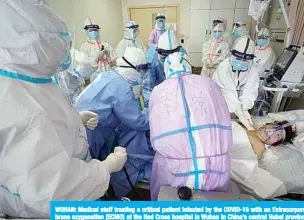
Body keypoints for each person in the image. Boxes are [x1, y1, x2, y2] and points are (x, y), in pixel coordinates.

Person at [0, 1, 127, 218]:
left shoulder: (32, 78)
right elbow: (50, 191)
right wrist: (105, 168)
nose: (65, 53)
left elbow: (46, 124)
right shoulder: (14, 94)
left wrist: (76, 119)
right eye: (61, 44)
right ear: (40, 45)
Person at [149, 52, 232, 201]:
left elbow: (156, 129)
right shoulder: (208, 83)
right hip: (215, 168)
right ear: (188, 66)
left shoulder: (158, 91)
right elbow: (223, 114)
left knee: (169, 203)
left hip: (175, 171)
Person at [76, 47, 154, 198]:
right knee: (89, 172)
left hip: (81, 122)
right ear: (133, 69)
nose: (141, 75)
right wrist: (154, 117)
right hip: (91, 130)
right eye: (140, 70)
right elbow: (138, 121)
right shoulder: (122, 88)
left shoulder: (109, 75)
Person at [230, 120, 296, 198]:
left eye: (278, 136)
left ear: (273, 144)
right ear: (267, 124)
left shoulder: (259, 146)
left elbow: (243, 163)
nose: (272, 133)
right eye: (275, 128)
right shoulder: (243, 126)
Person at [212, 37, 258, 131]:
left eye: (245, 60)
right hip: (220, 97)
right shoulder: (224, 67)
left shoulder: (252, 68)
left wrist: (245, 107)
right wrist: (239, 112)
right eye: (238, 58)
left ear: (250, 60)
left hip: (236, 100)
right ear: (232, 55)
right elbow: (227, 92)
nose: (240, 62)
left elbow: (250, 88)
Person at [143, 30, 186, 108]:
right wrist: (150, 108)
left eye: (172, 56)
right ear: (158, 51)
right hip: (159, 88)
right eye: (164, 58)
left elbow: (186, 78)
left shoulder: (182, 54)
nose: (168, 61)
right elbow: (148, 87)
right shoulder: (151, 59)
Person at [80, 18, 117, 82]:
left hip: (108, 74)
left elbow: (114, 64)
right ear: (86, 32)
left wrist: (109, 56)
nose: (94, 32)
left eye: (95, 30)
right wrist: (96, 57)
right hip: (95, 76)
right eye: (91, 30)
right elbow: (86, 66)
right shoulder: (84, 47)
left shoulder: (105, 45)